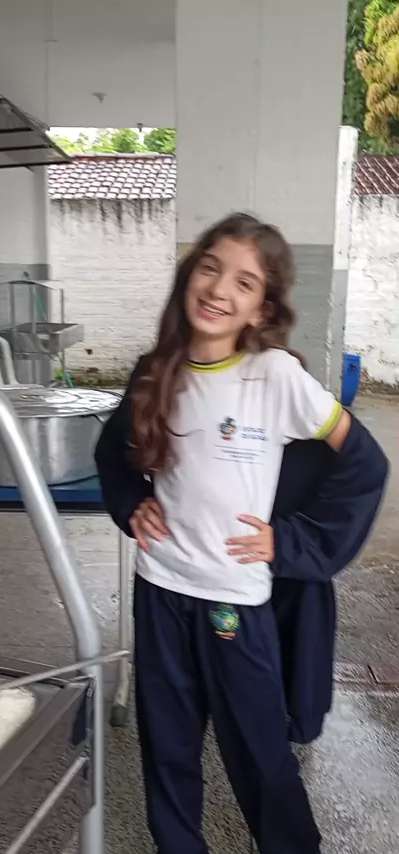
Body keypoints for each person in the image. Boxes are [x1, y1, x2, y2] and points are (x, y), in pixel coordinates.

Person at [95, 213, 388, 854]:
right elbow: (113, 455)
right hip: (160, 590)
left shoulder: (274, 376)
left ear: (262, 309)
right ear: (190, 274)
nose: (220, 288)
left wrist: (293, 541)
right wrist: (132, 503)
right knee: (167, 751)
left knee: (261, 758)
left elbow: (365, 463)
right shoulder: (154, 372)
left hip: (235, 601)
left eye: (244, 282)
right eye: (210, 267)